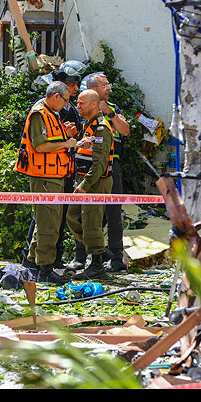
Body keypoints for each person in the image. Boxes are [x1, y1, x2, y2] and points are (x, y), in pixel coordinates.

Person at [20, 63, 84, 272]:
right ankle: (45, 271)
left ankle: (32, 264)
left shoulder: (52, 113)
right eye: (65, 99)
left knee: (47, 222)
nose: (67, 104)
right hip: (44, 176)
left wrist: (67, 136)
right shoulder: (40, 113)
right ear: (55, 96)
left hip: (54, 175)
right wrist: (67, 143)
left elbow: (53, 141)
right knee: (48, 224)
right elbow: (40, 146)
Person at [66, 89, 114, 280]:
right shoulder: (88, 124)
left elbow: (100, 163)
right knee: (73, 216)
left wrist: (85, 184)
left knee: (91, 222)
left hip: (96, 182)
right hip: (85, 180)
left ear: (94, 104)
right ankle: (100, 252)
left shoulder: (101, 128)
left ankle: (97, 266)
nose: (77, 106)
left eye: (81, 103)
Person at [85, 72, 130, 272]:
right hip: (87, 166)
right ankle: (84, 257)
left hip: (112, 167)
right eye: (104, 85)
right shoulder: (84, 106)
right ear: (93, 88)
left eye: (108, 84)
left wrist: (109, 113)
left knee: (113, 213)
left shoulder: (114, 108)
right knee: (86, 213)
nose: (109, 88)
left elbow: (125, 130)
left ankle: (116, 258)